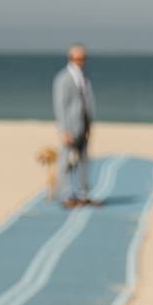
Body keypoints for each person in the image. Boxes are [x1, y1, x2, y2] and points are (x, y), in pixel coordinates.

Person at [52, 42, 97, 207]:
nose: (80, 61)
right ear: (70, 58)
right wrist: (64, 130)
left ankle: (83, 194)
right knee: (65, 161)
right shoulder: (62, 79)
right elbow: (60, 105)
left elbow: (87, 100)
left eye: (83, 58)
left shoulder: (85, 77)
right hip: (70, 127)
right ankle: (65, 195)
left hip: (84, 125)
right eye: (77, 58)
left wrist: (90, 123)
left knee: (84, 161)